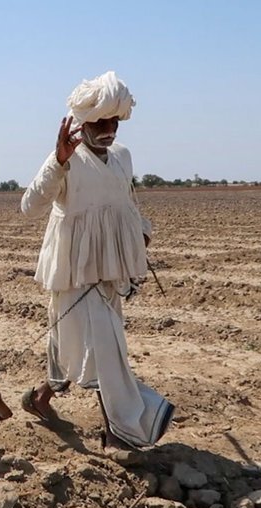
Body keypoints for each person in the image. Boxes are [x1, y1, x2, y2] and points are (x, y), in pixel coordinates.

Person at [19, 71, 174, 449]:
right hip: (73, 273)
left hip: (109, 270)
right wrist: (57, 161)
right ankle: (121, 433)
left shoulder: (122, 158)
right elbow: (30, 207)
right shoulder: (65, 160)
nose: (108, 129)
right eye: (99, 121)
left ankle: (40, 397)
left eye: (113, 121)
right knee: (104, 349)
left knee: (71, 344)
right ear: (81, 123)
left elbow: (126, 205)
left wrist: (141, 235)